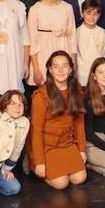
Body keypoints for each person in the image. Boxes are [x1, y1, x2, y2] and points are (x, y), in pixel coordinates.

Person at [30, 50, 87, 189]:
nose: (60, 70)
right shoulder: (41, 96)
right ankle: (31, 163)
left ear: (71, 69)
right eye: (56, 66)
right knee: (61, 184)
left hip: (67, 143)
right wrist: (39, 162)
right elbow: (36, 131)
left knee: (80, 178)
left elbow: (79, 123)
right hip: (47, 146)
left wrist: (82, 149)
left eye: (65, 66)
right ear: (50, 70)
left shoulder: (77, 90)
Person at [28, 0, 77, 87]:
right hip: (42, 55)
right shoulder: (35, 9)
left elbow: (73, 38)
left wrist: (73, 64)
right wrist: (36, 69)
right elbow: (32, 42)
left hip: (63, 52)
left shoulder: (67, 8)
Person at [75, 0, 105, 87]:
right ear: (82, 14)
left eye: (95, 14)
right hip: (81, 77)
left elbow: (103, 55)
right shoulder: (77, 32)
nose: (91, 17)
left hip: (97, 77)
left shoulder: (103, 33)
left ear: (99, 15)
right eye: (88, 13)